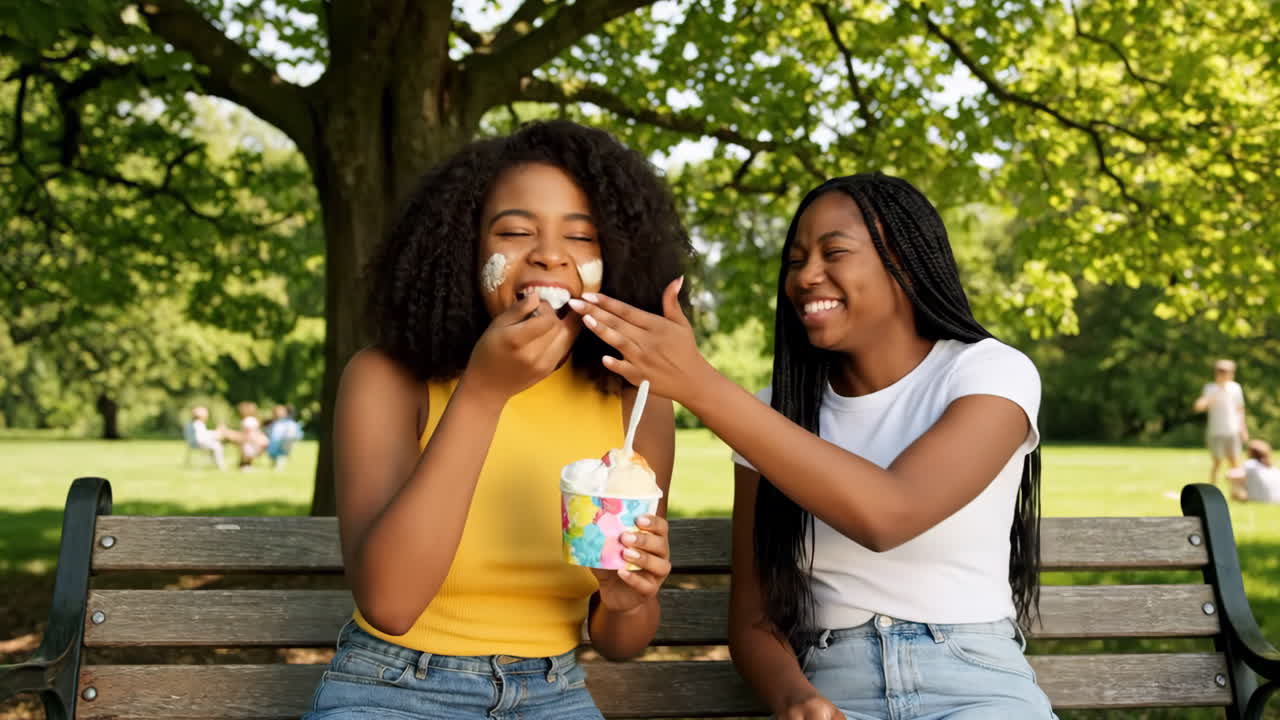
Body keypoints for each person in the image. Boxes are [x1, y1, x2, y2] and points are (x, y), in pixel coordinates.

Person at [570, 173, 1055, 718]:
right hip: (833, 686)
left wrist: (701, 387)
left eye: (835, 252)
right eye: (796, 260)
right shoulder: (777, 409)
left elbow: (888, 514)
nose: (806, 276)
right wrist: (796, 697)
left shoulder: (989, 372)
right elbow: (758, 620)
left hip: (975, 682)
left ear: (905, 263)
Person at [301, 120, 691, 720]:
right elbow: (390, 603)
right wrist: (483, 393)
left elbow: (621, 641)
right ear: (464, 247)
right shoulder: (386, 378)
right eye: (514, 230)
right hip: (393, 688)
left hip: (554, 693)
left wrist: (626, 599)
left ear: (614, 259)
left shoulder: (634, 400)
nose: (549, 254)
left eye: (581, 238)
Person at [1193, 359, 1248, 493]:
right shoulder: (1210, 388)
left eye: (1228, 372)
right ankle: (1211, 491)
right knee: (1217, 462)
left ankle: (1237, 491)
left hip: (1232, 430)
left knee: (1235, 462)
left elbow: (1240, 409)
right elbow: (1199, 407)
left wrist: (1243, 429)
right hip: (1216, 430)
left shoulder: (1235, 388)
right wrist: (1211, 397)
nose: (1225, 374)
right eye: (1222, 372)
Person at [1227, 439, 1280, 504]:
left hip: (1260, 499)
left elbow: (1230, 475)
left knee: (1236, 481)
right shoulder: (1273, 468)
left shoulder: (1251, 464)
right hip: (1277, 499)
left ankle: (1234, 500)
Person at [182, 406, 226, 470]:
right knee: (217, 446)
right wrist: (216, 434)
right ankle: (220, 465)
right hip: (198, 443)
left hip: (193, 443)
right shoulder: (197, 424)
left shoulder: (191, 423)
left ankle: (216, 463)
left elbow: (203, 433)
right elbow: (201, 437)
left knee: (215, 444)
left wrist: (214, 433)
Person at [265, 404, 303, 470]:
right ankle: (274, 465)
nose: (279, 414)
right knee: (274, 457)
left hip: (283, 443)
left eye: (281, 412)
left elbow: (295, 434)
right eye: (277, 413)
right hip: (273, 444)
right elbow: (268, 432)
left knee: (281, 456)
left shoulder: (290, 423)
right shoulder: (272, 423)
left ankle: (279, 466)